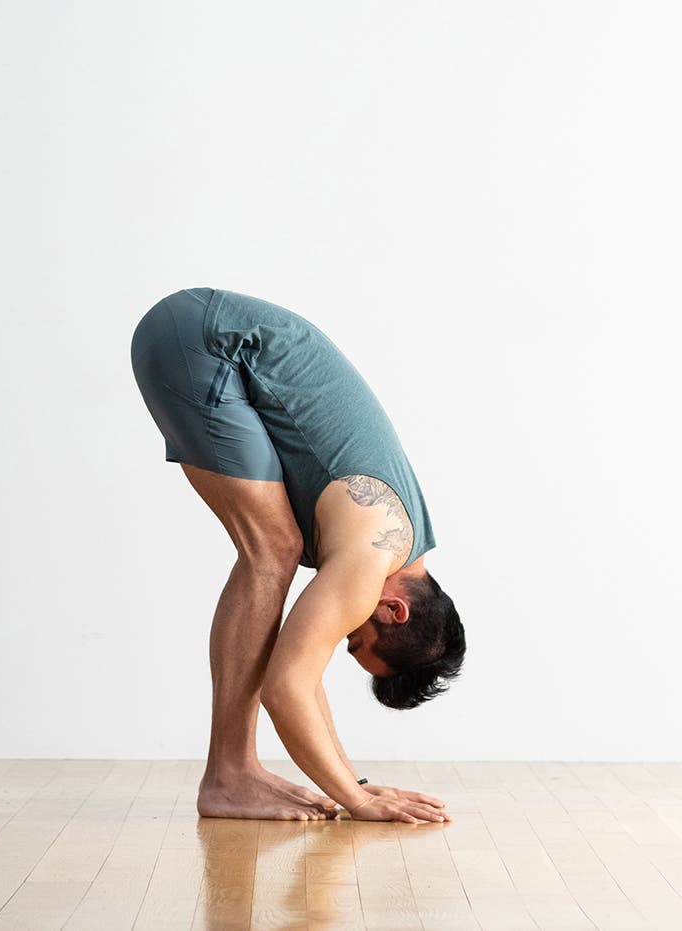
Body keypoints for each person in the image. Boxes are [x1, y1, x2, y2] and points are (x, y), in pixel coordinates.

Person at [129, 287, 465, 823]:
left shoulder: (402, 540)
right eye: (355, 638)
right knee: (272, 551)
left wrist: (353, 782)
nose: (340, 632)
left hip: (203, 332)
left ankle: (233, 772)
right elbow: (286, 687)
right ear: (394, 609)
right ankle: (228, 776)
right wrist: (358, 803)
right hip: (207, 340)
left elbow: (302, 677)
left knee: (275, 549)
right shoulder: (372, 555)